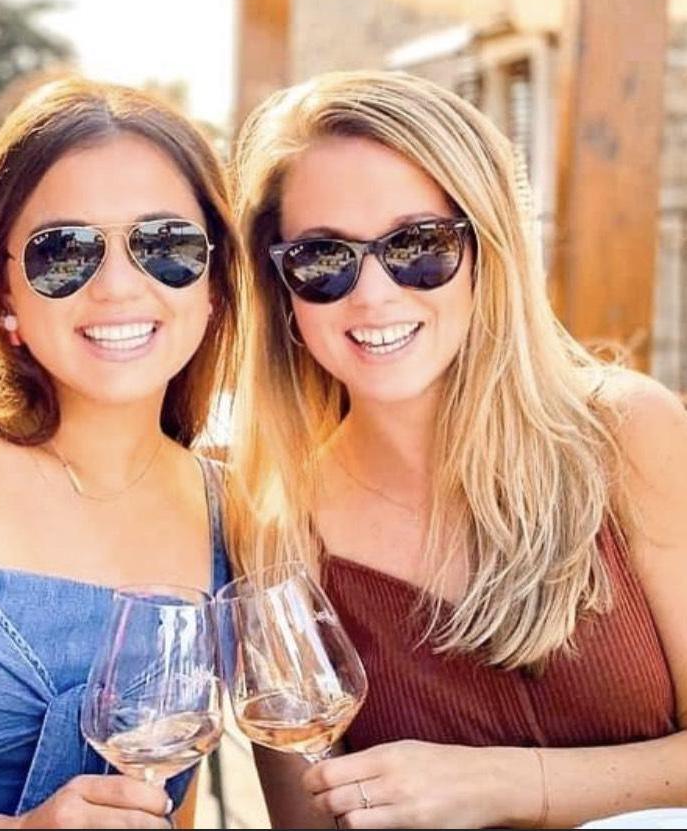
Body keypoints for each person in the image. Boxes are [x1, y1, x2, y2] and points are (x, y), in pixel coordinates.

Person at [228, 69, 687, 828]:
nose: (372, 294)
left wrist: (511, 784)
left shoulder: (628, 436)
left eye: (417, 244)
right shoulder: (276, 530)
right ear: (280, 287)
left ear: (487, 251)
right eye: (323, 258)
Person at [0, 76, 240, 828]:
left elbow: (167, 806)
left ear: (215, 282)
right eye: (64, 252)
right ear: (5, 295)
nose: (117, 285)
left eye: (165, 245)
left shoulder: (231, 512)